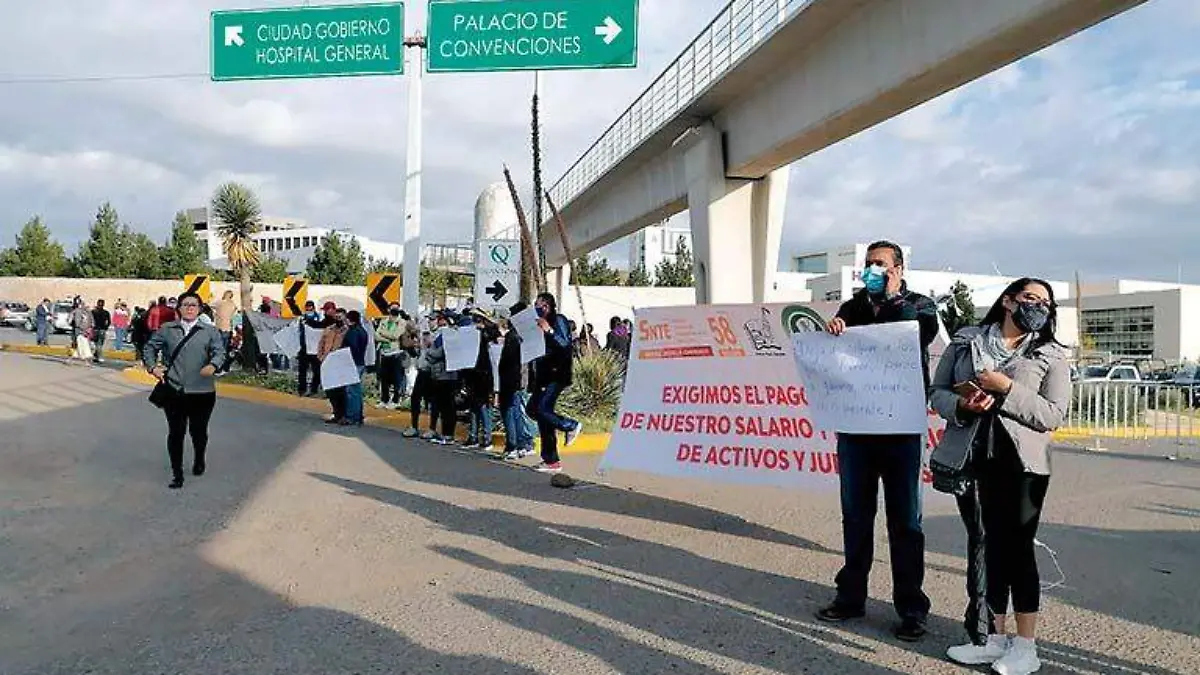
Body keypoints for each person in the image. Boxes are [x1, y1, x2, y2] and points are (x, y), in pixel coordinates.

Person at [931, 279, 1070, 674]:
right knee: (989, 547)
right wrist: (962, 403)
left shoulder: (1050, 354)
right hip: (975, 458)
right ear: (1008, 301)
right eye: (1030, 298)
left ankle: (1026, 647)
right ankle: (994, 640)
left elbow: (1053, 415)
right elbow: (936, 391)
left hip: (1024, 465)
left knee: (1018, 550)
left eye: (1045, 302)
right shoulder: (966, 342)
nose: (1038, 307)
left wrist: (1006, 387)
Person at [815, 240, 938, 642]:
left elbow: (914, 334)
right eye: (867, 264)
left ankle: (910, 608)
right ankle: (850, 597)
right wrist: (834, 329)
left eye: (879, 264)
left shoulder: (920, 306)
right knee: (855, 516)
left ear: (898, 269)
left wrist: (892, 296)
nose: (871, 270)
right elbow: (837, 349)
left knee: (905, 522)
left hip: (900, 432)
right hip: (857, 431)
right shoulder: (852, 307)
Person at [143, 291, 227, 490]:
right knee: (176, 432)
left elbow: (219, 351)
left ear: (199, 309)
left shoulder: (209, 331)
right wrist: (153, 367)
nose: (190, 308)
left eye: (194, 305)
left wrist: (213, 365)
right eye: (186, 304)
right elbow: (149, 348)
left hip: (202, 391)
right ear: (178, 308)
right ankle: (177, 474)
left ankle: (199, 458)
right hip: (174, 389)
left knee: (198, 431)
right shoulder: (167, 329)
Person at [527, 292, 581, 473]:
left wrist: (548, 330)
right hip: (543, 375)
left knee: (542, 410)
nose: (536, 306)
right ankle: (551, 460)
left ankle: (570, 425)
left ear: (547, 305)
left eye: (539, 304)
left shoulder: (558, 320)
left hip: (556, 375)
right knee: (535, 411)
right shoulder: (537, 323)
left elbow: (564, 344)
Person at [500, 302, 536, 460]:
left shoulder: (513, 336)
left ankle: (513, 446)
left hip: (512, 380)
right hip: (522, 379)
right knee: (519, 412)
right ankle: (524, 444)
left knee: (510, 412)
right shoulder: (529, 333)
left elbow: (507, 361)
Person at [462, 316, 499, 451]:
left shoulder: (488, 335)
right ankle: (473, 436)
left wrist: (486, 327)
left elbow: (495, 334)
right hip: (472, 375)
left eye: (478, 321)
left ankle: (487, 438)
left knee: (484, 408)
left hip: (484, 376)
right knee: (473, 407)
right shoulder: (470, 335)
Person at [425, 310, 460, 445]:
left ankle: (448, 434)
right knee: (444, 405)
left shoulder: (448, 334)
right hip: (443, 374)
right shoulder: (447, 334)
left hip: (445, 375)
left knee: (447, 407)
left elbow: (438, 353)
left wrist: (428, 350)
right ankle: (446, 433)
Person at [405, 322, 438, 439]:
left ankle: (432, 428)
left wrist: (428, 344)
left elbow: (437, 353)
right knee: (415, 398)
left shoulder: (438, 336)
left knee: (432, 401)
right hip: (422, 370)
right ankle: (414, 426)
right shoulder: (421, 338)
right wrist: (414, 345)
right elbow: (417, 353)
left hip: (432, 372)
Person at [317, 307, 349, 424]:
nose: (338, 319)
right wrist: (320, 356)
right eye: (336, 317)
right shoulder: (329, 329)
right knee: (330, 390)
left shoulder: (347, 331)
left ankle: (343, 415)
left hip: (340, 364)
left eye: (340, 317)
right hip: (327, 362)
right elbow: (321, 343)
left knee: (341, 391)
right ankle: (336, 413)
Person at [375, 303, 409, 409]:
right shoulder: (384, 321)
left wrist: (383, 334)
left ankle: (396, 400)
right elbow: (376, 335)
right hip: (384, 352)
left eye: (396, 309)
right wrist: (387, 338)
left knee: (396, 378)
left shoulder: (402, 322)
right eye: (392, 308)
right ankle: (384, 399)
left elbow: (395, 336)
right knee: (384, 378)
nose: (393, 310)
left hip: (396, 353)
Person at [298, 301, 332, 396]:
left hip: (316, 349)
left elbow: (319, 326)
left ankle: (314, 389)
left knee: (317, 371)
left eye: (311, 308)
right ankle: (302, 389)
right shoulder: (301, 319)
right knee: (302, 371)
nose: (309, 310)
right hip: (304, 348)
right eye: (307, 308)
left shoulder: (323, 319)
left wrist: (308, 322)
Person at [341, 310, 369, 426]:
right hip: (359, 362)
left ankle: (352, 416)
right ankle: (358, 415)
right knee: (356, 390)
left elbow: (351, 347)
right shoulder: (362, 331)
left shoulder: (353, 332)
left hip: (353, 362)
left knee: (351, 391)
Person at [212, 290, 238, 374]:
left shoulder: (219, 303)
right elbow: (234, 312)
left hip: (219, 328)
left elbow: (210, 305)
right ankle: (224, 367)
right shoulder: (232, 304)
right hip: (228, 329)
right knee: (226, 349)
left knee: (218, 349)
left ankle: (218, 367)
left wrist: (215, 314)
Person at [69, 296, 94, 364]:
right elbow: (92, 322)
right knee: (81, 345)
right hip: (83, 331)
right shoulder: (86, 311)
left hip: (81, 331)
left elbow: (76, 323)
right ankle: (75, 359)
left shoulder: (78, 311)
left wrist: (86, 329)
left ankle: (85, 359)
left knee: (82, 345)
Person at [91, 299, 112, 363]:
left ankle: (96, 356)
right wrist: (106, 327)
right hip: (102, 330)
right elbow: (109, 322)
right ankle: (98, 356)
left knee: (97, 344)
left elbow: (90, 320)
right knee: (99, 344)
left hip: (95, 329)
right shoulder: (106, 312)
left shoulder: (93, 312)